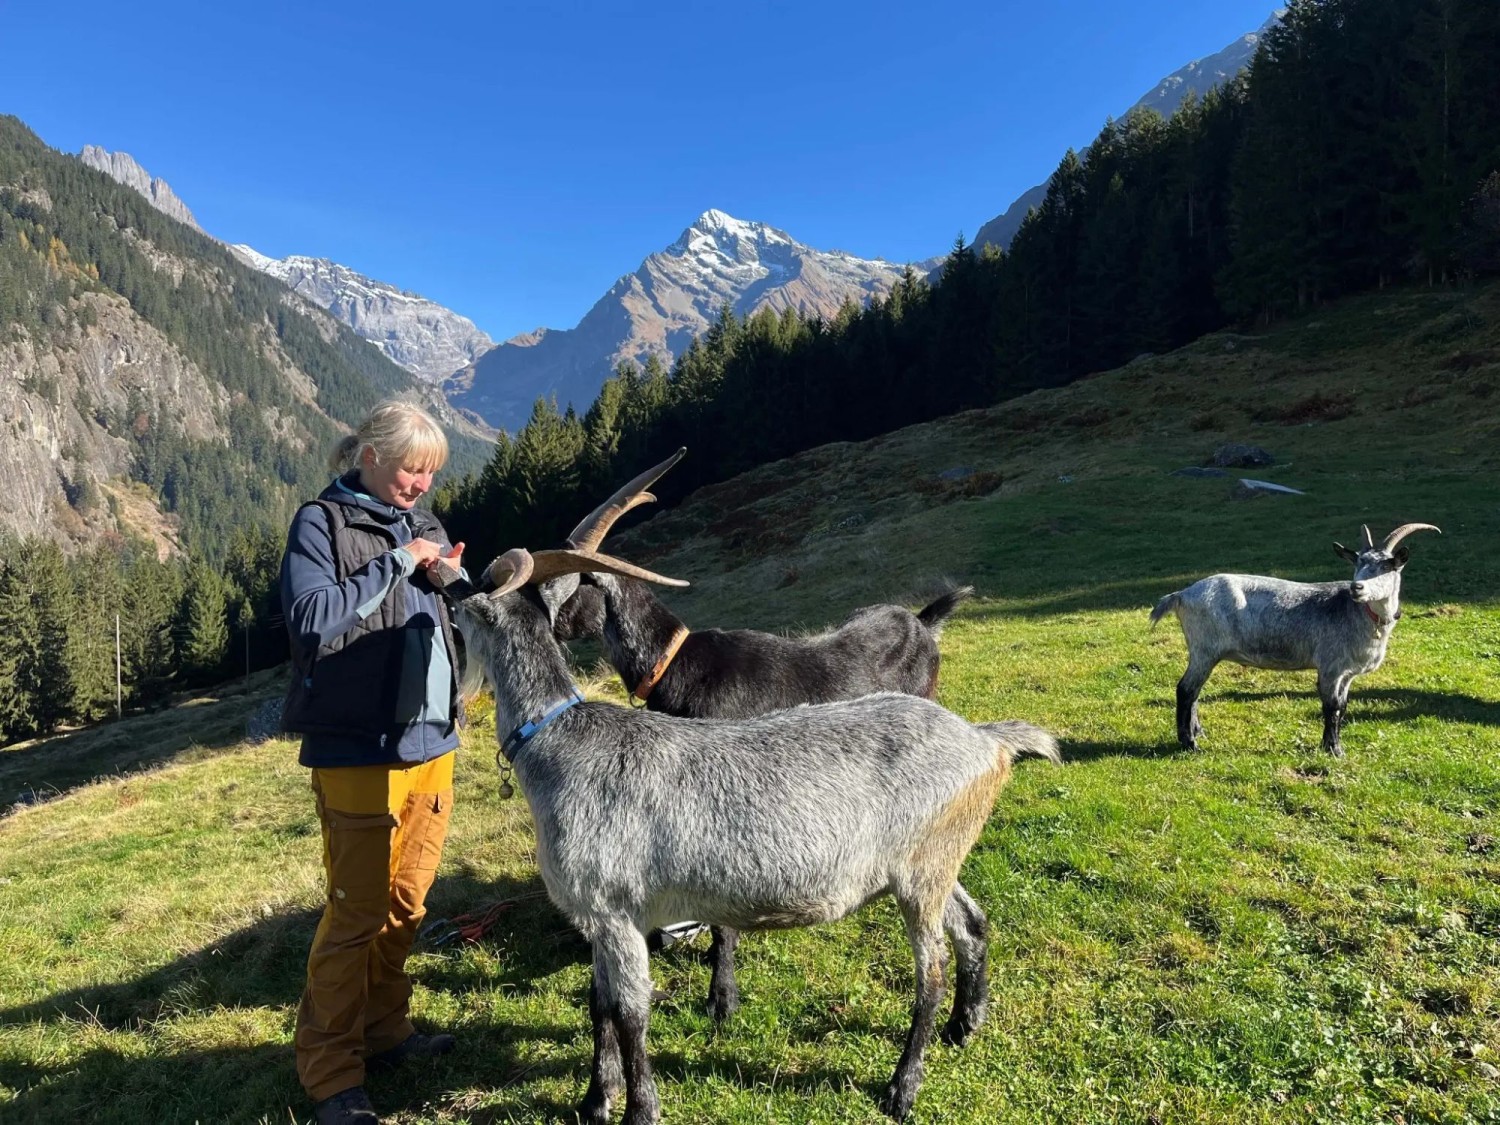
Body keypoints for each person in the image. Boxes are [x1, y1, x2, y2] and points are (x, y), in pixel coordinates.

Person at [279, 399, 467, 1125]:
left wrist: (448, 576)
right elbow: (311, 619)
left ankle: (385, 1032)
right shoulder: (320, 524)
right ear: (370, 457)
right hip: (358, 750)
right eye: (412, 469)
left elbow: (437, 610)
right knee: (355, 911)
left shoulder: (423, 525)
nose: (422, 485)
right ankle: (330, 1072)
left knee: (406, 904)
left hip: (430, 746)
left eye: (431, 474)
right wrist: (395, 564)